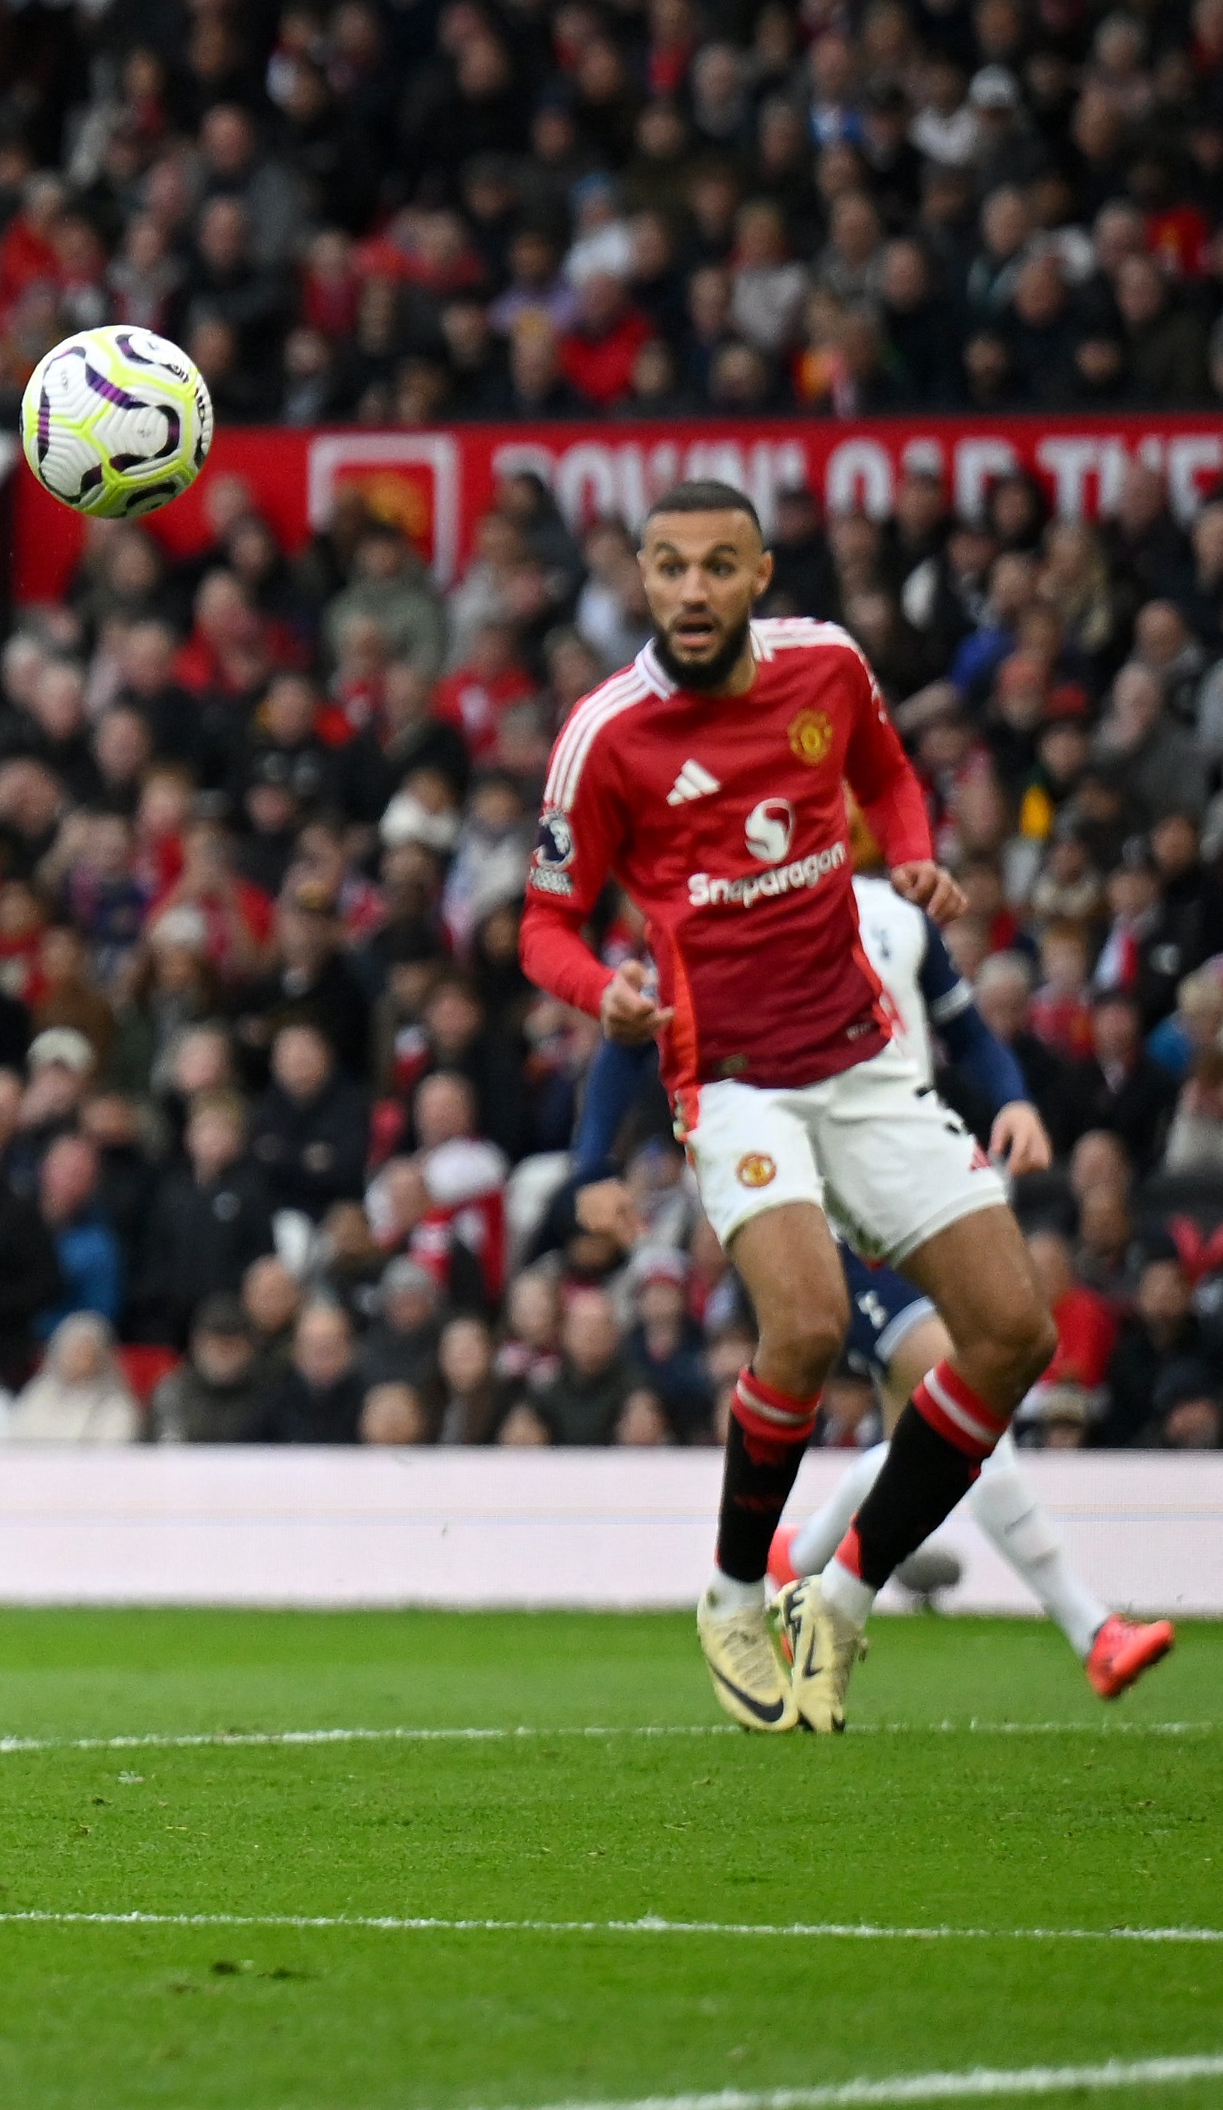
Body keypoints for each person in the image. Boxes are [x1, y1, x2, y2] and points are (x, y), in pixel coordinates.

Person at [523, 480, 1058, 1733]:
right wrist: (601, 990)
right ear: (641, 580)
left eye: (718, 566)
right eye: (668, 568)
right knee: (808, 1327)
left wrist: (912, 850)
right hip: (733, 1080)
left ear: (759, 574)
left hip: (863, 1059)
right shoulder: (605, 737)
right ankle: (727, 1592)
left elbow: (889, 777)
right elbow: (542, 924)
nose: (692, 590)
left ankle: (846, 1592)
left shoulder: (825, 667)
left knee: (1013, 1334)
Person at [577, 866, 1175, 1701]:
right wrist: (591, 1163)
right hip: (815, 1210)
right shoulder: (742, 908)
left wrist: (1016, 1101)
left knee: (951, 1419)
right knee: (959, 1387)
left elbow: (967, 1034)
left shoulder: (900, 915)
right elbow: (640, 1026)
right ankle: (1087, 1629)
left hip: (916, 1184)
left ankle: (807, 1564)